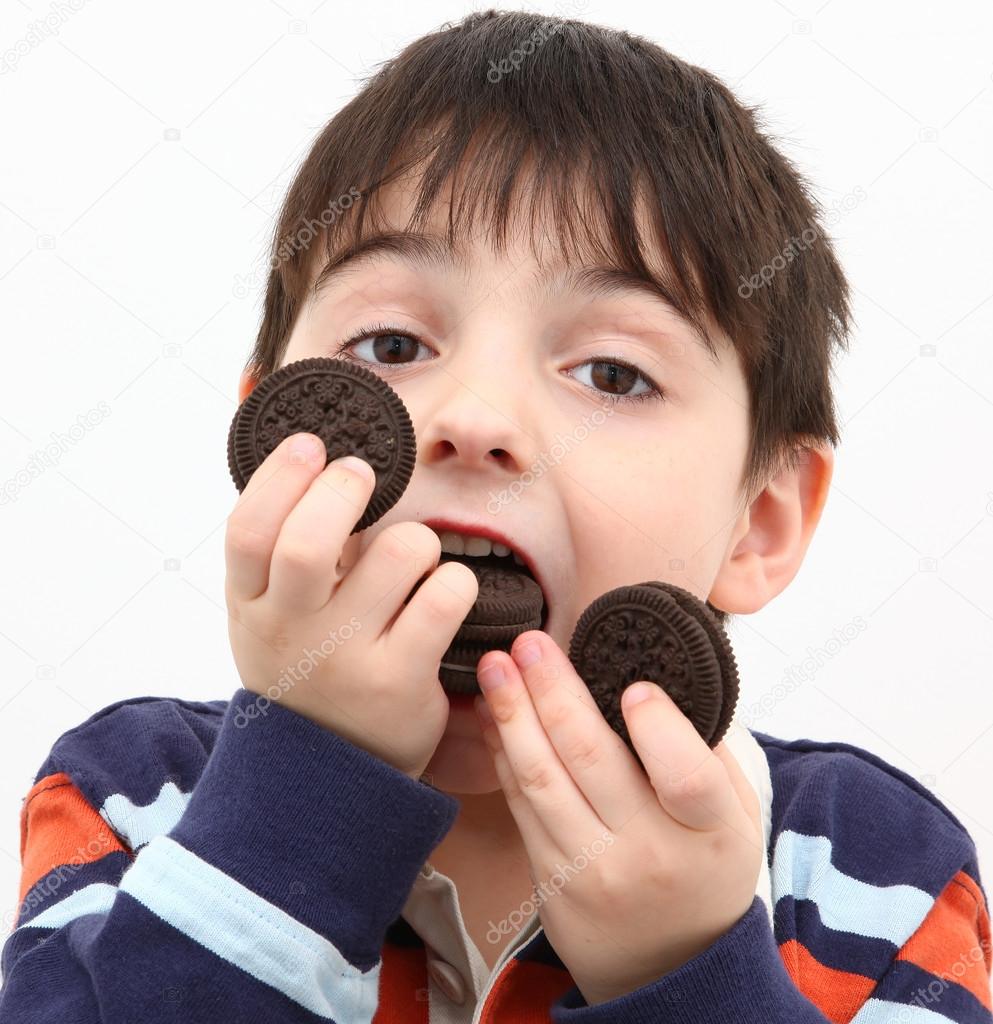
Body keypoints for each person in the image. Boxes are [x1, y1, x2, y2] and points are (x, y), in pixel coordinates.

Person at [3, 9, 989, 1023]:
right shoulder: (134, 801)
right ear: (267, 437)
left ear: (761, 522)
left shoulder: (880, 877)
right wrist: (305, 790)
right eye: (390, 344)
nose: (475, 420)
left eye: (612, 371)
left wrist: (686, 973)